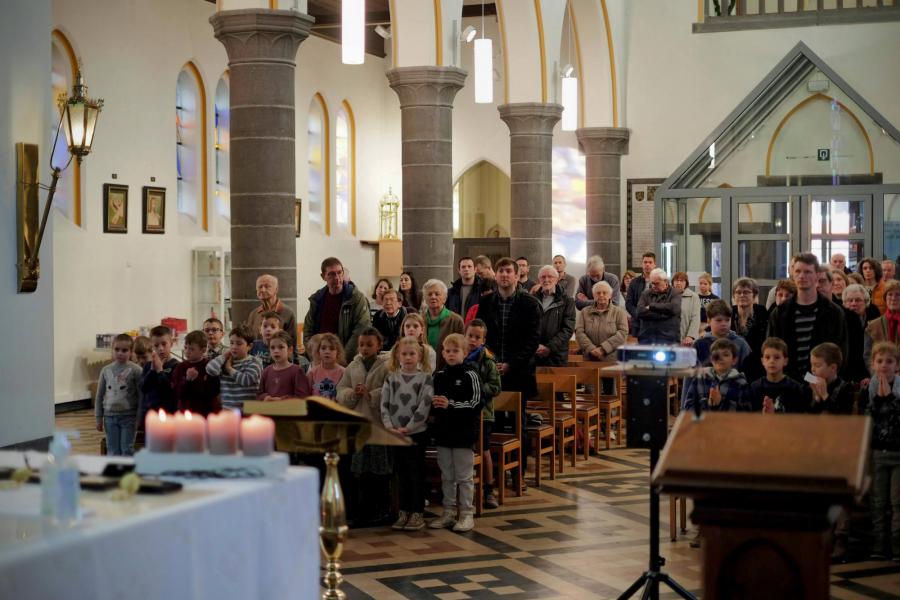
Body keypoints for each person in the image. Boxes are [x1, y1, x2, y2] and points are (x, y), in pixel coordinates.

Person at [476, 257, 541, 473]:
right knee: (492, 423)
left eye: (508, 271)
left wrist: (511, 364)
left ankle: (518, 472)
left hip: (519, 372)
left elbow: (532, 340)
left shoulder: (529, 303)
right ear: (495, 275)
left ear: (516, 275)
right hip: (491, 372)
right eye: (500, 271)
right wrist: (493, 363)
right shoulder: (486, 303)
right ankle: (494, 471)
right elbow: (480, 337)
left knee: (517, 423)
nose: (504, 275)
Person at [337, 328, 391, 526]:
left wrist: (372, 394)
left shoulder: (387, 366)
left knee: (379, 471)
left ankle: (381, 510)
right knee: (360, 471)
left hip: (378, 425)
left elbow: (391, 389)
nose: (365, 348)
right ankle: (362, 511)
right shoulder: (353, 366)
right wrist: (353, 393)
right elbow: (341, 390)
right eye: (362, 345)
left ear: (379, 345)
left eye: (369, 344)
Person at [429, 334, 483, 533]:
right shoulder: (440, 375)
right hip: (444, 433)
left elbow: (477, 402)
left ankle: (467, 513)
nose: (451, 355)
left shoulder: (471, 374)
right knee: (447, 475)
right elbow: (432, 401)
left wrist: (450, 404)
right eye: (447, 351)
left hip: (463, 433)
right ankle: (449, 512)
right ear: (442, 352)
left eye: (455, 351)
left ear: (465, 353)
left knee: (464, 476)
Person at [381, 336, 434, 532]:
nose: (408, 357)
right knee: (401, 473)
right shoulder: (392, 377)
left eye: (412, 354)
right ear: (398, 355)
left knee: (415, 473)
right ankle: (403, 511)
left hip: (416, 433)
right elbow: (384, 404)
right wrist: (388, 425)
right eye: (405, 354)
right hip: (395, 433)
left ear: (419, 355)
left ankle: (417, 512)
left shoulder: (425, 378)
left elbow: (424, 405)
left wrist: (409, 427)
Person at [768, 253, 848, 380]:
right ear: (792, 274)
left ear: (817, 275)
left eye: (807, 272)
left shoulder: (834, 312)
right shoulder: (780, 313)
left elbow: (840, 353)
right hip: (788, 383)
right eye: (798, 271)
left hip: (822, 383)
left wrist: (814, 380)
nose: (802, 276)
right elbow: (772, 349)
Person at [866, 341, 900, 560]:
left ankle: (897, 546)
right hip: (878, 451)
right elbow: (872, 418)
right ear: (873, 364)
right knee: (878, 501)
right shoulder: (871, 386)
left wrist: (888, 398)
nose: (884, 366)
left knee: (897, 502)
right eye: (880, 361)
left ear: (897, 365)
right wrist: (879, 400)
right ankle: (878, 546)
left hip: (898, 453)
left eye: (889, 362)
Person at [303, 257, 371, 361]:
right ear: (323, 276)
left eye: (339, 273)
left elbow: (361, 330)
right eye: (331, 274)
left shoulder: (356, 298)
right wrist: (315, 355)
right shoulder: (317, 299)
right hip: (320, 358)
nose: (337, 277)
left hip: (346, 358)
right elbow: (308, 331)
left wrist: (341, 358)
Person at [464, 319, 501, 509]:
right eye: (470, 336)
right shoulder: (459, 356)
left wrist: (475, 389)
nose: (472, 340)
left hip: (483, 414)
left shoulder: (488, 361)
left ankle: (488, 490)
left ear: (483, 340)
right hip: (462, 414)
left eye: (477, 337)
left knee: (484, 450)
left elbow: (495, 387)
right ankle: (465, 488)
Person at [95, 333, 142, 456]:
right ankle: (114, 474)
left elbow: (141, 396)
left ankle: (127, 474)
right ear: (112, 350)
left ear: (131, 352)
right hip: (110, 418)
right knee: (112, 450)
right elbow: (99, 395)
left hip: (129, 418)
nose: (120, 353)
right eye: (117, 349)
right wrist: (98, 417)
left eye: (124, 350)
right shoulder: (106, 371)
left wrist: (139, 418)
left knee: (126, 448)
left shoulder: (136, 371)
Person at [681, 338, 751, 413]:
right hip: (703, 423)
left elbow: (745, 411)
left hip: (729, 423)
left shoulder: (741, 383)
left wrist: (721, 402)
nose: (720, 358)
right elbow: (688, 405)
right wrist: (707, 403)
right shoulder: (700, 377)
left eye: (725, 355)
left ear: (734, 360)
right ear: (711, 359)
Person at [206, 324, 263, 412]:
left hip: (248, 411)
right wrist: (224, 355)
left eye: (239, 343)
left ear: (249, 346)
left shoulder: (255, 362)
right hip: (228, 410)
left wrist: (229, 369)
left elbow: (246, 380)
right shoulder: (225, 360)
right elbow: (210, 369)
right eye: (231, 343)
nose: (234, 347)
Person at [575, 280, 629, 362]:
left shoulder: (619, 312)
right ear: (593, 295)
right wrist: (592, 349)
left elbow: (622, 333)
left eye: (604, 293)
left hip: (611, 359)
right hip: (589, 357)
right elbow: (579, 332)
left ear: (610, 295)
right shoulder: (584, 312)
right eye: (598, 293)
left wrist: (603, 349)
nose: (601, 295)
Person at [533, 266, 576, 366]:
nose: (546, 280)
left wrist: (549, 347)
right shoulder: (532, 299)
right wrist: (535, 346)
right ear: (539, 280)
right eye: (543, 277)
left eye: (550, 277)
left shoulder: (567, 300)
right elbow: (527, 326)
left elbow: (568, 329)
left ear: (556, 280)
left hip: (556, 355)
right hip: (535, 354)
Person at [749, 337, 804, 413]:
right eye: (767, 357)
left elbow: (798, 418)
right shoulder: (755, 387)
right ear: (762, 361)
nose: (772, 361)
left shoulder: (795, 388)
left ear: (785, 361)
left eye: (777, 357)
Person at [171, 330, 220, 416]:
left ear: (203, 350)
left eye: (192, 349)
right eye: (186, 347)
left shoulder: (209, 366)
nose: (187, 351)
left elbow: (213, 391)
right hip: (186, 413)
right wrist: (187, 380)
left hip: (206, 413)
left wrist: (198, 380)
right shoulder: (180, 367)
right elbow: (177, 392)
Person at [138, 325, 179, 427]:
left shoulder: (176, 365)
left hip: (169, 415)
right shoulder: (148, 365)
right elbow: (143, 388)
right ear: (152, 347)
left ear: (171, 343)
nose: (160, 348)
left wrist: (160, 371)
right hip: (150, 415)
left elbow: (169, 391)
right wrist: (152, 370)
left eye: (164, 344)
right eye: (156, 345)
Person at [246, 274, 298, 351]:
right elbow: (248, 339)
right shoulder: (254, 313)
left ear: (276, 289)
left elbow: (292, 344)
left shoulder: (288, 312)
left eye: (267, 286)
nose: (263, 290)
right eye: (260, 287)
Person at [731, 277, 769, 383]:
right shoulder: (728, 314)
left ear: (754, 295)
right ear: (734, 296)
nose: (742, 295)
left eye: (747, 292)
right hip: (732, 367)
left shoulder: (764, 315)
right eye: (738, 292)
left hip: (757, 368)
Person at [693, 300, 752, 368]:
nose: (724, 324)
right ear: (709, 321)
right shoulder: (699, 345)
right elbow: (691, 373)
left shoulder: (741, 344)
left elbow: (749, 372)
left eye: (727, 320)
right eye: (719, 320)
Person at [422, 279, 465, 370]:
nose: (433, 297)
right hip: (424, 371)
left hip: (449, 371)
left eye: (437, 294)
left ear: (445, 298)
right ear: (425, 299)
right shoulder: (420, 320)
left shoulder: (456, 320)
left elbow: (463, 348)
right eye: (429, 294)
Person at [257, 331, 312, 401]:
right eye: (272, 347)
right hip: (270, 410)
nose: (276, 351)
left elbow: (302, 396)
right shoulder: (266, 371)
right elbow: (259, 394)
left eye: (281, 347)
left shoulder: (297, 371)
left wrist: (282, 400)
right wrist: (266, 397)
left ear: (290, 350)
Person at [634, 267, 681, 345]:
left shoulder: (675, 293)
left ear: (665, 281)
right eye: (652, 283)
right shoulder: (645, 294)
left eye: (657, 283)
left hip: (668, 339)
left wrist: (652, 306)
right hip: (646, 338)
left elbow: (674, 308)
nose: (654, 286)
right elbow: (639, 311)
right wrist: (664, 314)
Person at [807, 342, 855, 415]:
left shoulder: (846, 388)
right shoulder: (811, 387)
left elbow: (842, 417)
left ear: (833, 368)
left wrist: (825, 395)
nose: (813, 369)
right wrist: (817, 397)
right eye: (812, 365)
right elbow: (809, 417)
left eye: (817, 365)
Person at [864, 279, 900, 368]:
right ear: (885, 298)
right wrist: (877, 375)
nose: (893, 298)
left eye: (898, 295)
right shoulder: (873, 326)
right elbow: (867, 355)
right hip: (880, 374)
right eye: (890, 294)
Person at [842, 284, 873, 385]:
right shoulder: (842, 321)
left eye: (858, 300)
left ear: (866, 302)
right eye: (850, 301)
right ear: (844, 303)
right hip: (849, 373)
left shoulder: (874, 316)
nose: (854, 304)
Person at [307, 333, 345, 400]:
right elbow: (306, 396)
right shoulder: (312, 373)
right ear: (319, 351)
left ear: (338, 352)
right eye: (323, 348)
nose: (327, 351)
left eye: (332, 348)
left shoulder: (343, 372)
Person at [626, 252, 657, 333]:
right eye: (645, 262)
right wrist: (638, 314)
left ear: (654, 265)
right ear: (642, 264)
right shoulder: (634, 282)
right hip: (638, 324)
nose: (647, 265)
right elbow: (629, 303)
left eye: (650, 262)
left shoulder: (661, 282)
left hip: (657, 324)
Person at [672, 272, 701, 347]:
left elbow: (695, 318)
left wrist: (690, 336)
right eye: (676, 280)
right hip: (670, 340)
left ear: (686, 283)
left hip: (687, 340)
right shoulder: (668, 296)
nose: (678, 283)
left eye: (681, 281)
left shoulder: (693, 297)